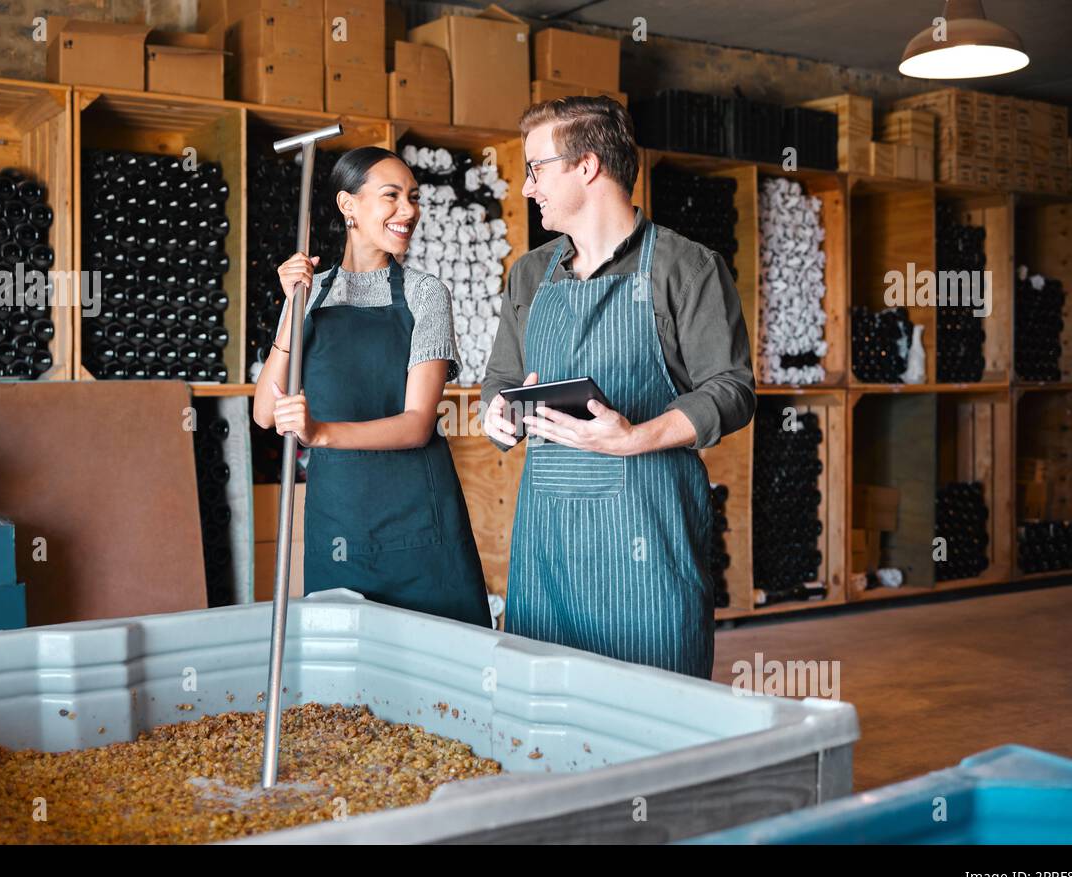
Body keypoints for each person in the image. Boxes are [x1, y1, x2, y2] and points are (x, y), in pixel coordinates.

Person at [481, 97, 756, 677]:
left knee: (655, 710)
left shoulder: (687, 267)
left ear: (586, 166)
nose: (528, 187)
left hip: (648, 544)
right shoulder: (530, 274)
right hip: (547, 547)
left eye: (536, 168)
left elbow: (732, 388)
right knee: (542, 710)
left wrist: (635, 437)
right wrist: (496, 414)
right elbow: (502, 379)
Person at [253, 146, 490, 628]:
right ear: (348, 206)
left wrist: (321, 434)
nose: (409, 211)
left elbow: (417, 425)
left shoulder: (426, 293)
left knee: (443, 673)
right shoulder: (308, 292)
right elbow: (263, 412)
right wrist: (290, 312)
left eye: (414, 197)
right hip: (338, 520)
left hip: (420, 521)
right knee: (342, 687)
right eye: (392, 196)